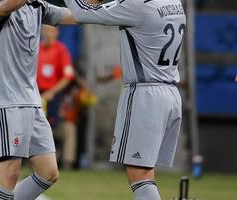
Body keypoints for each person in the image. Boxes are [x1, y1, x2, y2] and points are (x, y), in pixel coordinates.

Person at [65, 0, 185, 199]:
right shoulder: (175, 2)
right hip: (170, 92)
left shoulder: (137, 5)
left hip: (145, 95)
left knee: (139, 175)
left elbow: (81, 12)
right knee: (146, 172)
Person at [0, 0, 75, 199]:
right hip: (6, 102)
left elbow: (75, 15)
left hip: (32, 102)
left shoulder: (38, 6)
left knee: (48, 172)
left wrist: (99, 5)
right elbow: (7, 7)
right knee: (10, 172)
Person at [37, 25, 75, 128]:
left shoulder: (61, 50)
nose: (49, 34)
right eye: (46, 30)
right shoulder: (36, 49)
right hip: (35, 94)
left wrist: (52, 92)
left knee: (53, 125)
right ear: (42, 32)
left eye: (51, 31)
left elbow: (68, 76)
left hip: (53, 95)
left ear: (57, 32)